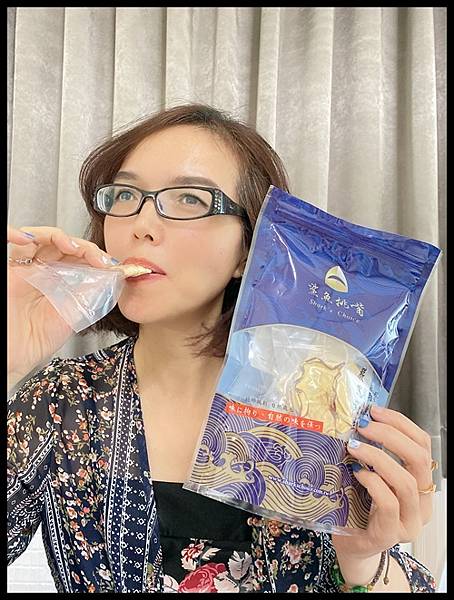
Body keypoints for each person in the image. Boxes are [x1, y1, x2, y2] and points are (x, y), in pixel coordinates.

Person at [7, 103, 437, 593]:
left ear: (248, 249)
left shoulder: (318, 403)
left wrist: (362, 559)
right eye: (125, 194)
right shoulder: (64, 399)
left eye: (190, 199)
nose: (141, 225)